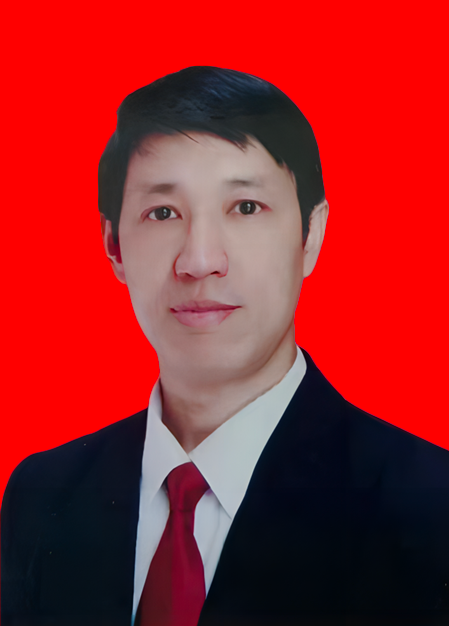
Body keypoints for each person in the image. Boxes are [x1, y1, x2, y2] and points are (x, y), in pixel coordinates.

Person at [2, 66, 449, 626]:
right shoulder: (42, 496)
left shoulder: (429, 508)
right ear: (113, 245)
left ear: (311, 235)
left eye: (245, 207)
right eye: (163, 213)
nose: (199, 261)